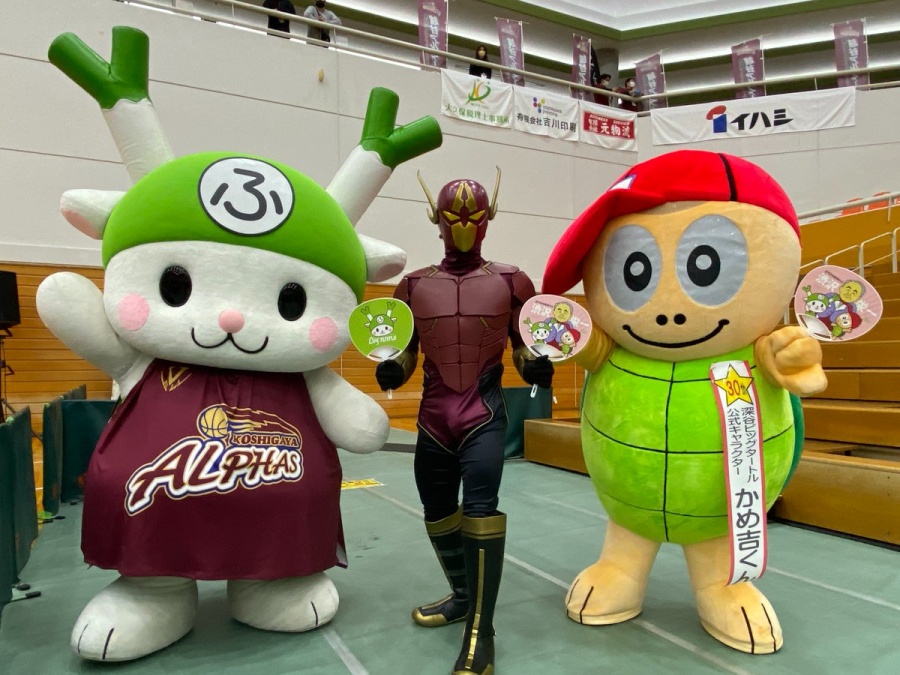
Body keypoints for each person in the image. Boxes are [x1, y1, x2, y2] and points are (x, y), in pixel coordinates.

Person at [374, 172, 553, 675]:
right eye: (454, 216)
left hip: (483, 414)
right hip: (433, 418)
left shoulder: (512, 281)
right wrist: (393, 370)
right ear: (436, 219)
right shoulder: (412, 285)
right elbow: (407, 353)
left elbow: (523, 347)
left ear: (488, 218)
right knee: (436, 510)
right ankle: (461, 596)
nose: (464, 226)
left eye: (474, 216)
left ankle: (481, 630)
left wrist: (536, 366)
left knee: (480, 510)